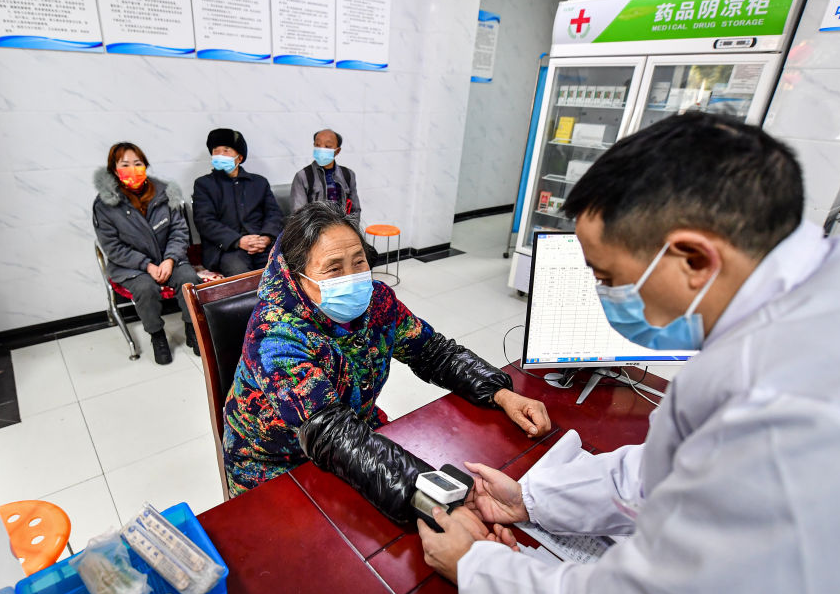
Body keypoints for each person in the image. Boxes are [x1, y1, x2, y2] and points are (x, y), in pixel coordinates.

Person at [417, 113, 840, 594]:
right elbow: (674, 473)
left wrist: (475, 568)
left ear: (694, 259)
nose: (602, 296)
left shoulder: (790, 409)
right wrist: (533, 500)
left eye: (607, 277)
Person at [222, 201, 550, 522]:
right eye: (333, 269)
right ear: (297, 277)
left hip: (354, 434)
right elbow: (330, 433)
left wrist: (501, 393)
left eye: (359, 262)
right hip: (277, 463)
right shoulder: (275, 336)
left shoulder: (377, 301)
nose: (352, 278)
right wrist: (433, 501)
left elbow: (432, 352)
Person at [93, 142, 201, 365]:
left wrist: (170, 259)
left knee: (188, 279)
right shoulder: (104, 204)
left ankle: (193, 327)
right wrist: (147, 265)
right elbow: (113, 247)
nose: (132, 169)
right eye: (125, 164)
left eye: (138, 163)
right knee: (145, 288)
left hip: (169, 258)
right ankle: (157, 335)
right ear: (114, 169)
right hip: (131, 266)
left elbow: (179, 231)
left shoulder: (165, 192)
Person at [192, 128, 285, 276]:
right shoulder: (203, 184)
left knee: (280, 268)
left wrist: (266, 237)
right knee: (240, 274)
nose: (220, 155)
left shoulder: (259, 182)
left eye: (226, 150)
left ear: (239, 158)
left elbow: (274, 214)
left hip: (261, 244)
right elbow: (205, 221)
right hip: (227, 249)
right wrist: (238, 241)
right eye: (216, 151)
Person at [289, 129, 361, 221]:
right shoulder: (303, 176)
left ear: (337, 151)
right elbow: (299, 214)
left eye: (328, 146)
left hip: (342, 226)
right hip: (314, 227)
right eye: (318, 145)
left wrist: (349, 228)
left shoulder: (348, 175)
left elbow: (355, 210)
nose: (322, 149)